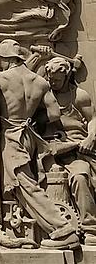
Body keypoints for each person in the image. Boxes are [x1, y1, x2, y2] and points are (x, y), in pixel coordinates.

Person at [0, 40, 79, 249]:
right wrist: (32, 119)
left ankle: (63, 229)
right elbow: (54, 113)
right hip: (29, 134)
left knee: (25, 184)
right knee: (22, 184)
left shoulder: (2, 79)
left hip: (12, 136)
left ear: (7, 59)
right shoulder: (39, 81)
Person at [44, 56, 96, 244]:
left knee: (80, 176)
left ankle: (90, 228)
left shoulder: (79, 96)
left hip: (77, 151)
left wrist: (91, 137)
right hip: (51, 149)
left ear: (66, 76)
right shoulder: (45, 94)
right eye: (50, 79)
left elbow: (93, 119)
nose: (52, 82)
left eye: (56, 79)